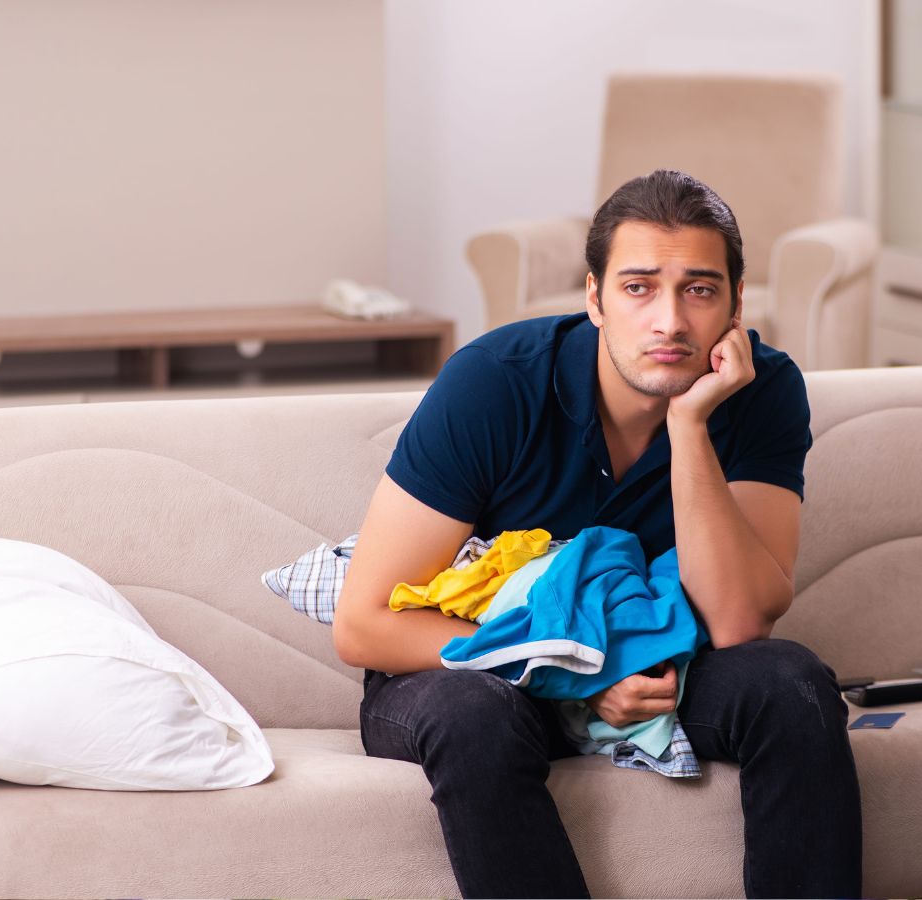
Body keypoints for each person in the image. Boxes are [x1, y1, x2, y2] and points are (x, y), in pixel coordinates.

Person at [331, 169, 861, 899]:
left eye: (700, 290)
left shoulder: (762, 390)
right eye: (638, 287)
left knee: (790, 683)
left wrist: (690, 424)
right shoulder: (494, 382)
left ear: (738, 305)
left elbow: (740, 624)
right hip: (476, 673)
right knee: (472, 715)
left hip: (653, 668)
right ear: (595, 298)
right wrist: (581, 671)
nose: (669, 321)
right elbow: (365, 625)